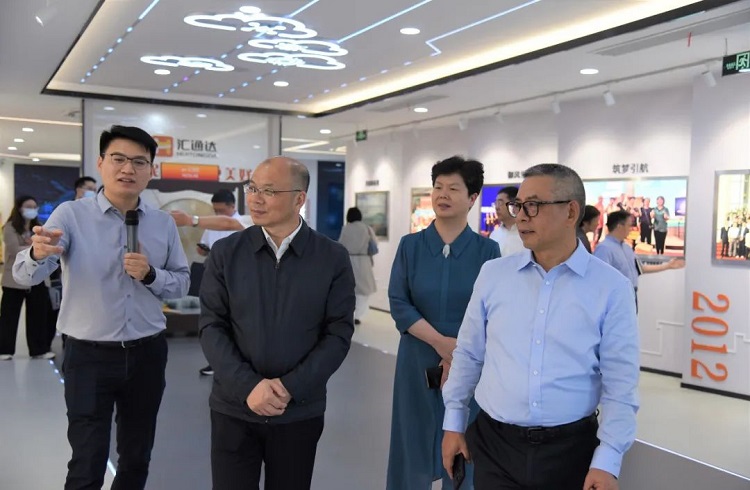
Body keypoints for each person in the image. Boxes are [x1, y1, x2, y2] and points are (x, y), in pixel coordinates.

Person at [442, 164, 640, 490]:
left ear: (571, 212)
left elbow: (621, 383)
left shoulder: (611, 288)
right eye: (518, 206)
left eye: (532, 205)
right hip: (494, 446)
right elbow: (469, 354)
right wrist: (453, 422)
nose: (521, 216)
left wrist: (608, 459)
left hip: (571, 452)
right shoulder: (493, 275)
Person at [13, 125, 190, 490]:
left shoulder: (163, 223)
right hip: (88, 356)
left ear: (151, 170)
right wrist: (37, 254)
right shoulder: (71, 215)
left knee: (137, 456)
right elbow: (24, 275)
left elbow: (182, 282)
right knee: (87, 461)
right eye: (119, 159)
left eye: (139, 162)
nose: (128, 169)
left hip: (147, 354)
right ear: (101, 162)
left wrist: (151, 274)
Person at [199, 156, 355, 490]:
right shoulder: (226, 253)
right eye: (252, 188)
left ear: (299, 199)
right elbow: (212, 326)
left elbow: (338, 333)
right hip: (234, 407)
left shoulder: (332, 257)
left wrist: (290, 387)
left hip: (298, 409)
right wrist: (249, 387)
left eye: (269, 191)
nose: (255, 199)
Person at [387, 156, 500, 490]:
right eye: (438, 187)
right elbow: (399, 303)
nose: (443, 194)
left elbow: (492, 312)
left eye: (453, 188)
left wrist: (457, 353)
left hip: (469, 362)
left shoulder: (487, 251)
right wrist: (442, 344)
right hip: (416, 357)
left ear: (472, 197)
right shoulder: (410, 246)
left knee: (465, 441)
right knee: (411, 438)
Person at [175, 188, 251, 377]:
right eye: (215, 210)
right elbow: (207, 247)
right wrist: (203, 250)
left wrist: (190, 220)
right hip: (216, 278)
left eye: (221, 210)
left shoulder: (245, 222)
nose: (218, 214)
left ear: (232, 206)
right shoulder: (211, 225)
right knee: (215, 322)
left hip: (239, 281)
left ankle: (239, 363)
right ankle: (216, 361)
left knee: (238, 323)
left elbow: (228, 223)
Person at [594, 211, 685, 310]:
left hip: (631, 296)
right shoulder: (604, 249)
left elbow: (640, 268)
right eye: (629, 225)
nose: (631, 229)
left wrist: (668, 266)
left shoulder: (626, 248)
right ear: (619, 226)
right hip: (615, 300)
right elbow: (600, 279)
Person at [0, 196, 54, 360]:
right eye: (28, 206)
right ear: (19, 208)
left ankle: (38, 350)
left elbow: (46, 248)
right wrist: (34, 247)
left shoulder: (39, 227)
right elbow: (14, 249)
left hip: (38, 278)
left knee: (38, 315)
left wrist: (32, 246)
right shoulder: (10, 227)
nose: (32, 209)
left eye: (34, 206)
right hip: (13, 279)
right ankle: (5, 350)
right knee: (9, 316)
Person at [338, 207, 377, 325]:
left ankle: (348, 314)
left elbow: (340, 245)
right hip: (363, 261)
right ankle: (357, 315)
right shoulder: (367, 228)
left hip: (348, 261)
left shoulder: (346, 228)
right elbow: (374, 244)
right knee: (364, 291)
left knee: (348, 289)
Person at [488, 186, 524, 257]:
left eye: (500, 203)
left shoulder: (527, 233)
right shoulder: (494, 235)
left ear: (514, 205)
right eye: (496, 203)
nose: (497, 207)